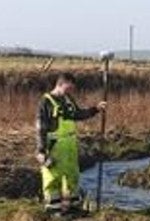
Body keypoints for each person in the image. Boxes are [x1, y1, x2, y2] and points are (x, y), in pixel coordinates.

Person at [36, 73, 107, 213]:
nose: (70, 92)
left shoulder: (68, 99)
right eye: (68, 88)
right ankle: (53, 208)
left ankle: (73, 206)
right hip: (54, 145)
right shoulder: (46, 102)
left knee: (72, 174)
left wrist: (95, 109)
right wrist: (41, 150)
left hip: (70, 144)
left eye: (72, 89)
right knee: (53, 176)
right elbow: (40, 128)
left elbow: (78, 114)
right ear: (60, 84)